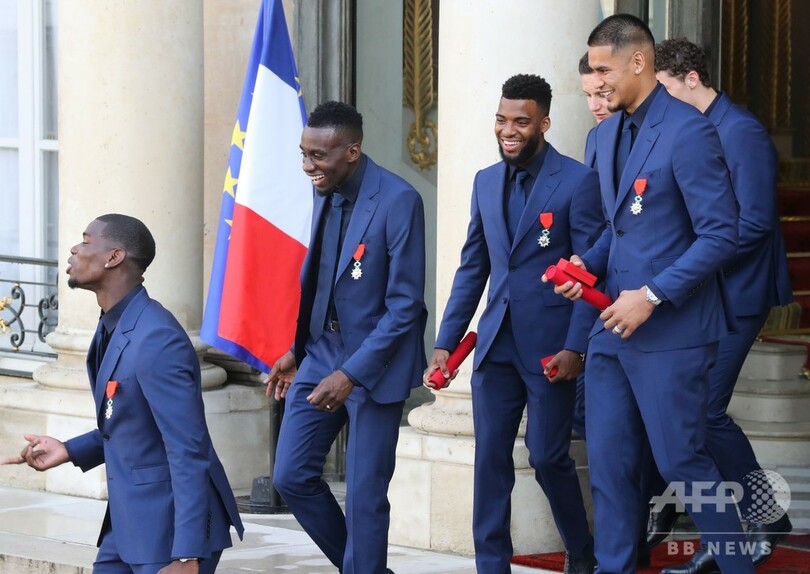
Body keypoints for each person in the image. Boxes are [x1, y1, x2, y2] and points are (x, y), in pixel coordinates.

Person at [552, 14, 755, 574]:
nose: (596, 82)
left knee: (683, 463)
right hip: (611, 329)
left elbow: (722, 234)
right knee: (611, 468)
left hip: (674, 332)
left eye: (604, 70)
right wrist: (585, 267)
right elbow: (616, 231)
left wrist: (654, 294)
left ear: (638, 61)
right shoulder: (603, 136)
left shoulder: (690, 130)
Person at [424, 74, 603, 574]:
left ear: (543, 124)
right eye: (502, 120)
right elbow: (473, 267)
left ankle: (581, 551)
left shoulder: (577, 181)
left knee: (547, 457)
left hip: (551, 349)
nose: (508, 130)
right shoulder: (485, 181)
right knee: (490, 461)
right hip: (495, 345)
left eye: (521, 122)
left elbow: (589, 272)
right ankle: (491, 566)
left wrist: (576, 347)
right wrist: (446, 342)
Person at [2, 214, 244, 573]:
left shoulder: (157, 337)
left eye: (86, 241)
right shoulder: (114, 323)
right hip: (128, 525)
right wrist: (69, 450)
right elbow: (132, 423)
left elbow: (188, 449)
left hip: (170, 532)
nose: (74, 249)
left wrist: (187, 554)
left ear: (114, 257)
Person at [645, 37, 794, 574]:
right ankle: (702, 519)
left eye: (663, 89)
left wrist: (688, 271)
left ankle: (762, 517)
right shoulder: (688, 129)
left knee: (702, 412)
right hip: (702, 291)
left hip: (736, 292)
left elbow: (753, 224)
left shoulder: (741, 132)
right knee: (684, 411)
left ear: (691, 78)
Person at [266, 101, 426, 574]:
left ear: (352, 151)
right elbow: (322, 280)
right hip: (321, 352)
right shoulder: (324, 189)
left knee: (364, 496)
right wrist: (298, 350)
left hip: (374, 364)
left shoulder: (399, 200)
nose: (307, 166)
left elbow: (405, 307)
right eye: (304, 154)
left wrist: (351, 374)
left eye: (318, 155)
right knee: (291, 476)